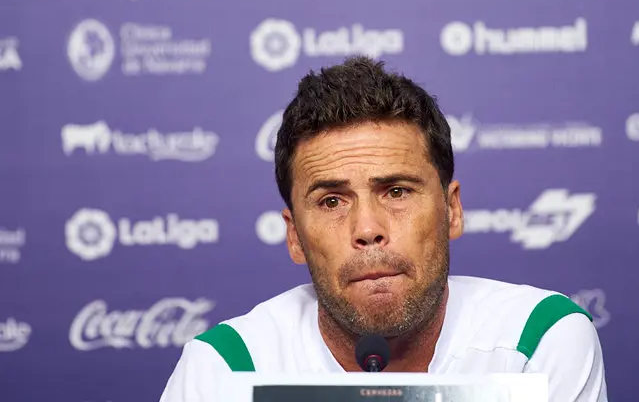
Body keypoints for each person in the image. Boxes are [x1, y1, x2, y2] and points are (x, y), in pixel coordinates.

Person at [159, 56, 608, 401]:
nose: (368, 229)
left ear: (451, 210)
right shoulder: (226, 368)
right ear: (294, 236)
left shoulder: (538, 339)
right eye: (332, 201)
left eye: (396, 191)